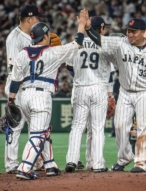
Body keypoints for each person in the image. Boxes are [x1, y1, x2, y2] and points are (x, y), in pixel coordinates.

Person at [8, 10, 87, 180]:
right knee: (38, 134)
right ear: (44, 37)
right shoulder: (54, 52)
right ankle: (24, 168)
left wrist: (10, 100)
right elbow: (78, 42)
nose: (50, 37)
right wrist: (81, 24)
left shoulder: (22, 54)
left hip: (23, 96)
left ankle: (50, 165)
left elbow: (15, 81)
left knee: (43, 132)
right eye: (48, 34)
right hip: (41, 97)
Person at [85, 15, 146, 173]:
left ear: (143, 32)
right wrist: (88, 28)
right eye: (128, 31)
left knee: (144, 128)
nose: (130, 34)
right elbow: (99, 40)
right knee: (119, 126)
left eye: (134, 31)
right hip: (124, 91)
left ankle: (141, 164)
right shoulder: (120, 43)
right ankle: (124, 158)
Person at [65, 16, 114, 173]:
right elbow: (111, 74)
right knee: (97, 128)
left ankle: (71, 160)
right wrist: (110, 94)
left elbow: (70, 67)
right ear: (100, 28)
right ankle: (98, 164)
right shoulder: (104, 43)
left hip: (80, 88)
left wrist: (81, 75)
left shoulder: (77, 42)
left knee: (77, 126)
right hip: (99, 87)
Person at [4, 4, 45, 174]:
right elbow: (15, 69)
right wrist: (14, 95)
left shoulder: (33, 36)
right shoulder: (15, 38)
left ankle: (35, 161)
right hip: (18, 85)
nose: (39, 21)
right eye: (37, 18)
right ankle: (12, 164)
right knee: (15, 126)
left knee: (36, 125)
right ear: (29, 19)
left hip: (31, 86)